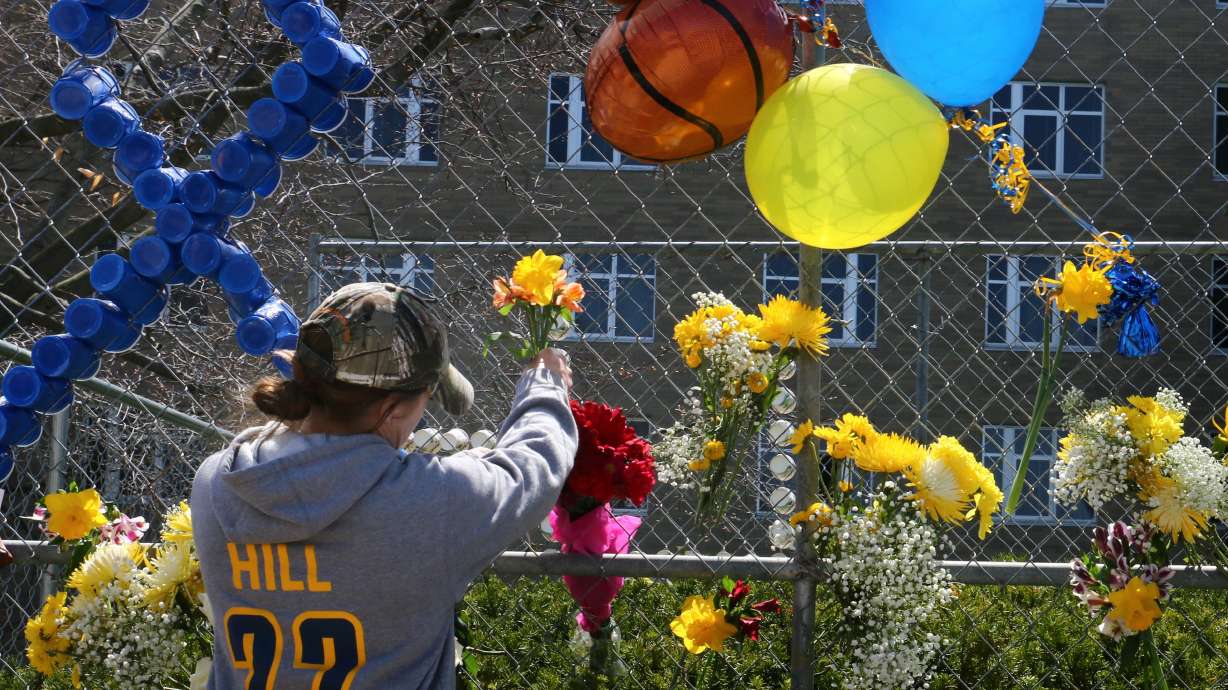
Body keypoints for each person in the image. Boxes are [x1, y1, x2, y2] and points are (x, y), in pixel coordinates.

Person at [191, 282, 577, 689]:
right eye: (425, 401)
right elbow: (534, 464)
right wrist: (545, 384)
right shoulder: (431, 502)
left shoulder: (218, 482)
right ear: (393, 410)